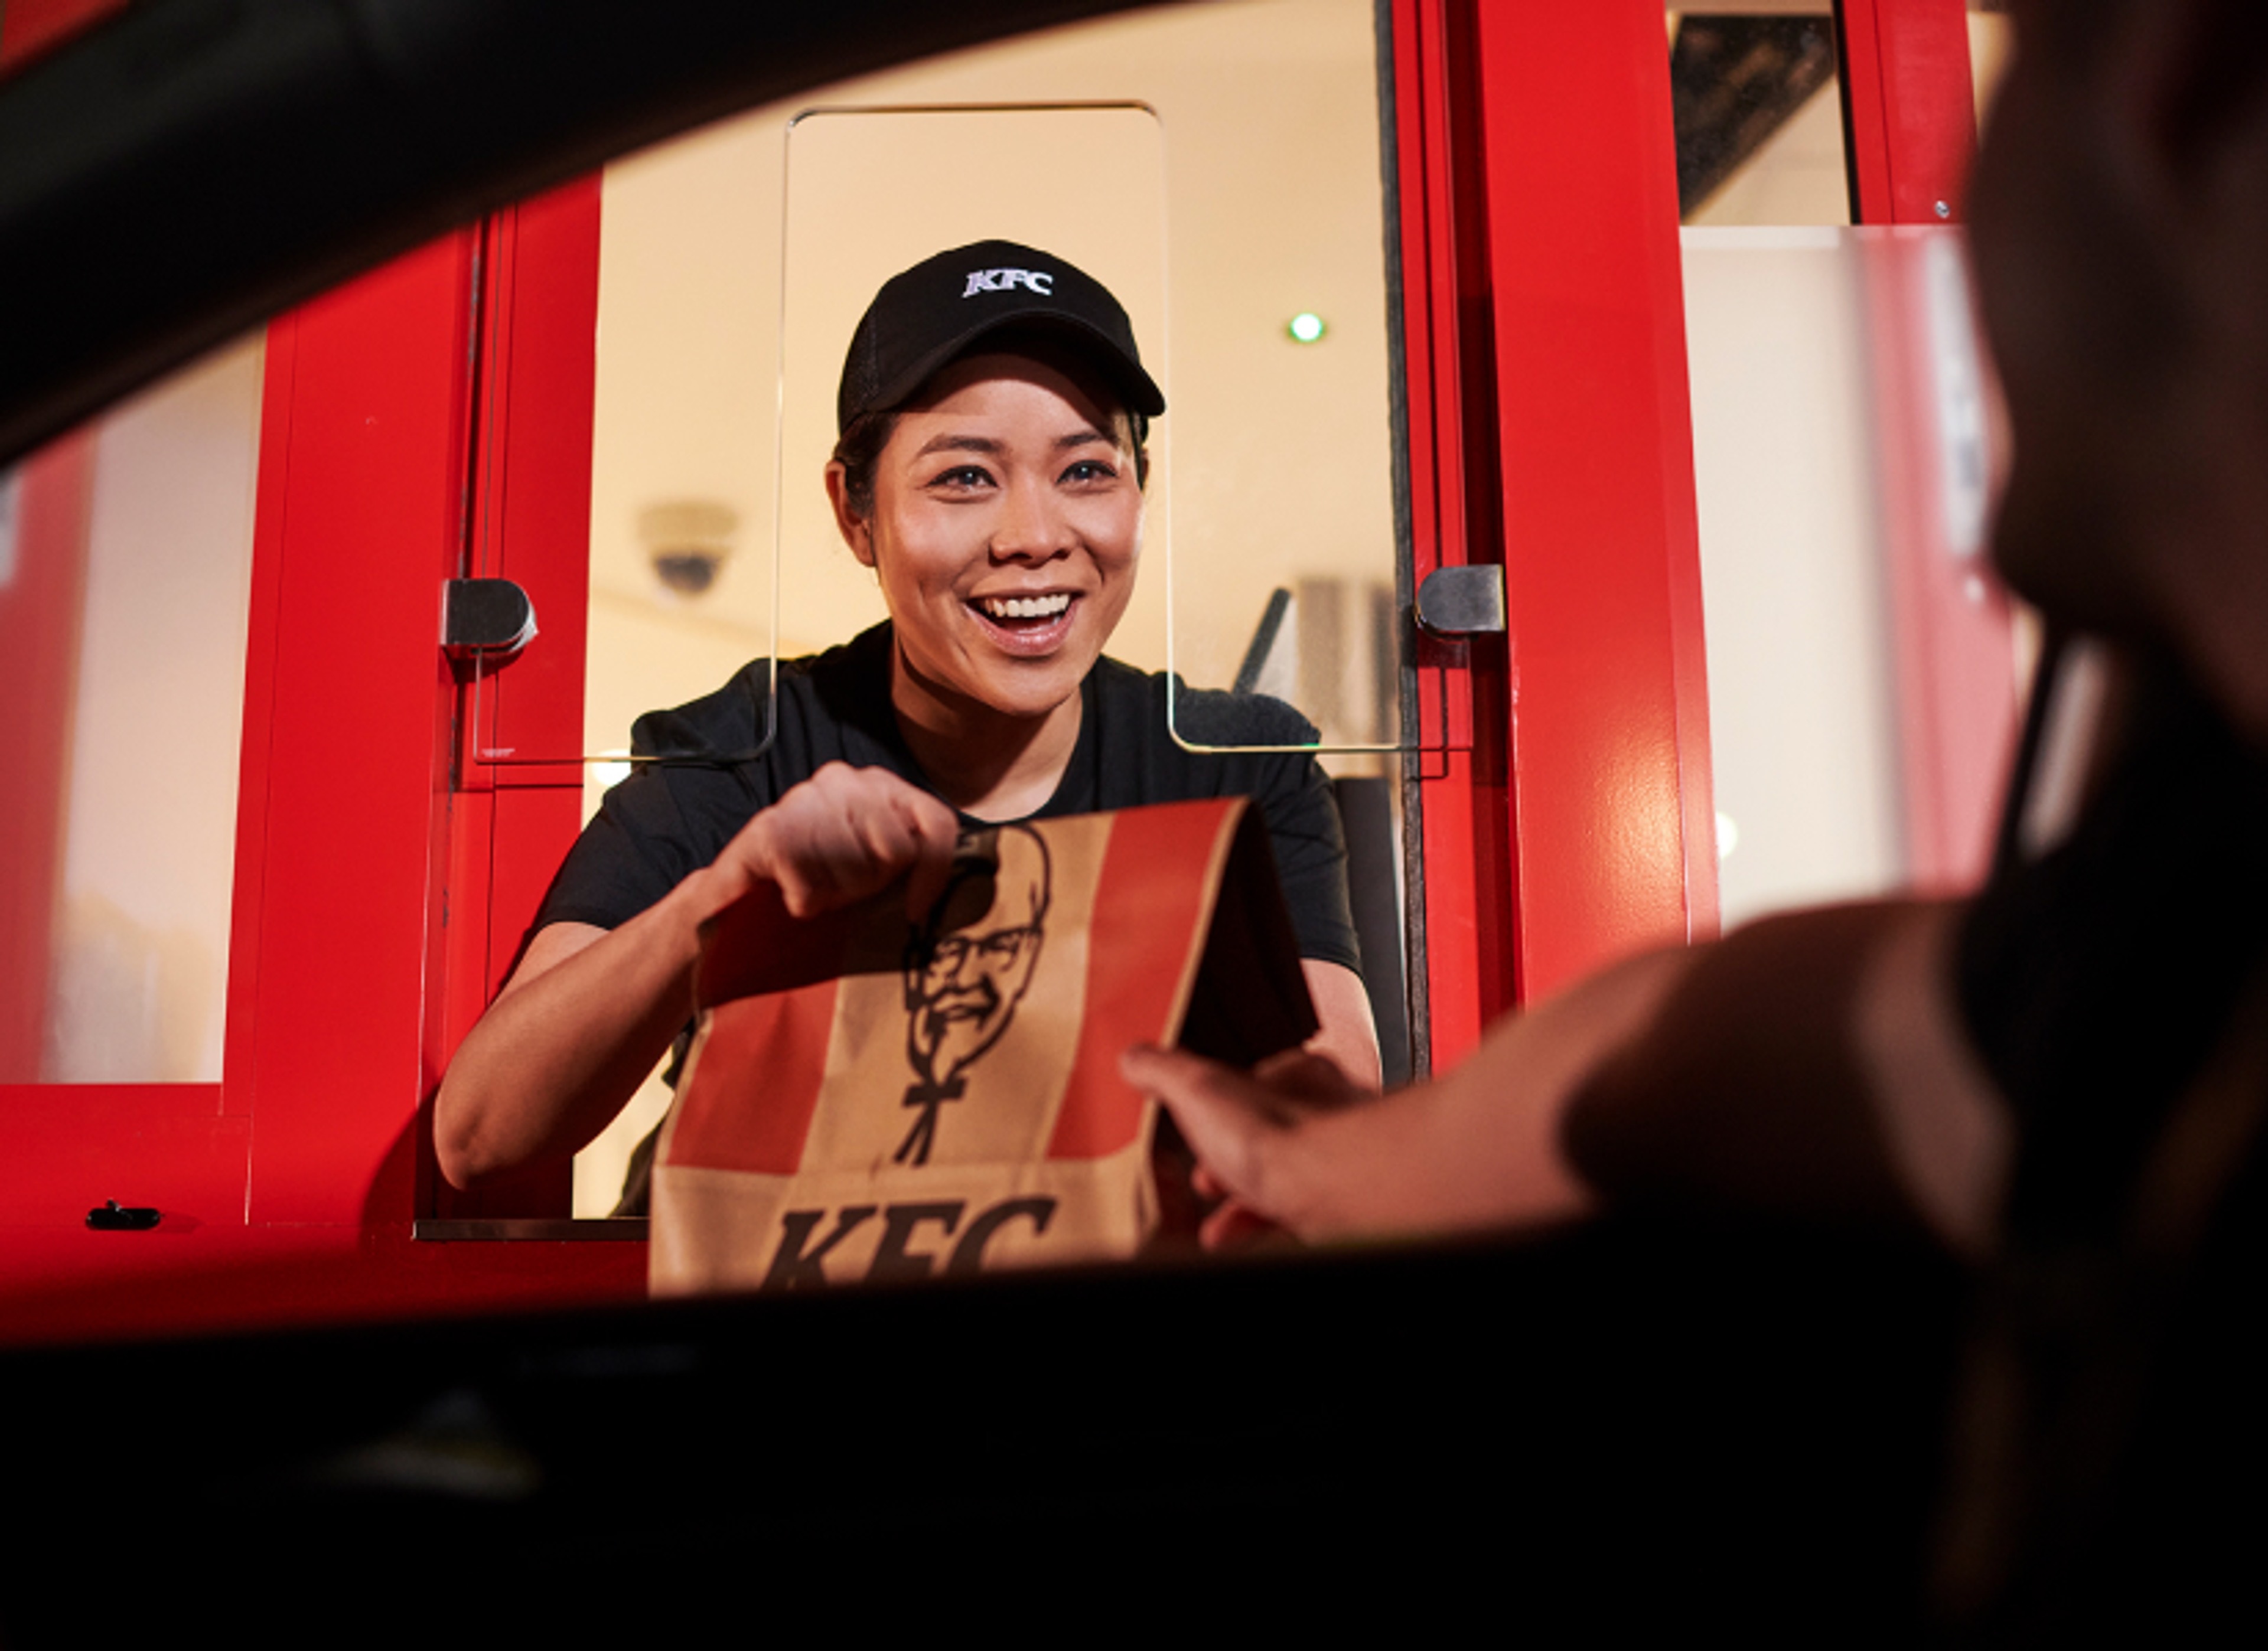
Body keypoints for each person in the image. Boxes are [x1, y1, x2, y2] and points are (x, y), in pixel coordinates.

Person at [1123, 0, 2268, 1630]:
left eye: (2015, 74)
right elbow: (1733, 1042)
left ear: (2190, 97)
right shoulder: (2185, 942)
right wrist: (1338, 1166)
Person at [436, 238, 1380, 1199]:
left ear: (1142, 485)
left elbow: (1331, 1122)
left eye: (1088, 471)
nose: (1036, 537)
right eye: (965, 477)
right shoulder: (741, 749)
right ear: (857, 514)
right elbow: (482, 1137)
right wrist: (729, 896)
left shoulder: (1233, 764)